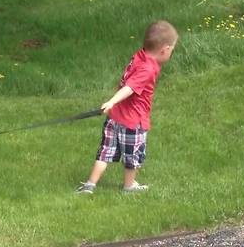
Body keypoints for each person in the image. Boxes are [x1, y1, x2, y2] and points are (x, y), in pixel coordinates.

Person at [76, 20, 178, 194]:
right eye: (172, 50)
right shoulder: (148, 69)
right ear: (165, 49)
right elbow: (130, 88)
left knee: (105, 152)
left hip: (115, 117)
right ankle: (129, 186)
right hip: (133, 121)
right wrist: (112, 101)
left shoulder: (139, 56)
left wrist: (113, 105)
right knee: (133, 156)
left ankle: (90, 184)